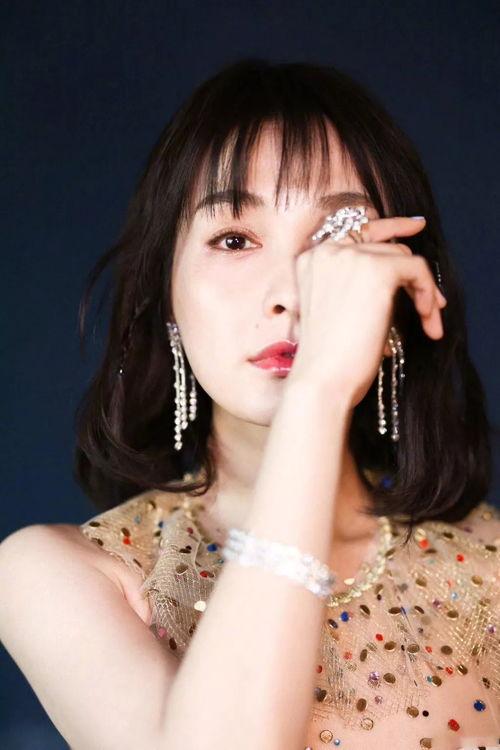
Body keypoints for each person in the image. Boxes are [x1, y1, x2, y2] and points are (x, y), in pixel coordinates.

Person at [0, 58, 498, 750]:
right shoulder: (58, 576)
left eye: (337, 241)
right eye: (234, 240)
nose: (290, 294)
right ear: (165, 296)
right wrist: (316, 393)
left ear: (406, 290)